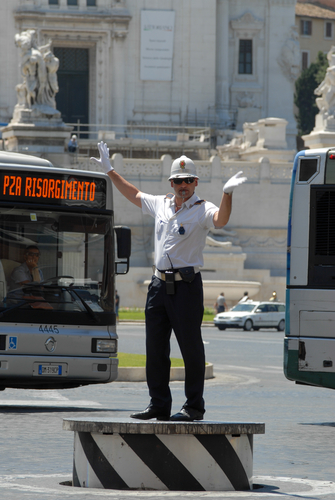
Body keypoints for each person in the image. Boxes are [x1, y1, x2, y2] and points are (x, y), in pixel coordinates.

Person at [91, 142, 247, 421]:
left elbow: (220, 221)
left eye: (188, 181)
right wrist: (110, 171)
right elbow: (134, 194)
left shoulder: (201, 209)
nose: (183, 185)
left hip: (186, 286)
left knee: (191, 348)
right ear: (171, 183)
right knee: (155, 349)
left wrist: (227, 194)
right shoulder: (161, 204)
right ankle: (159, 403)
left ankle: (193, 407)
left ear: (196, 182)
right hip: (158, 285)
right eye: (178, 181)